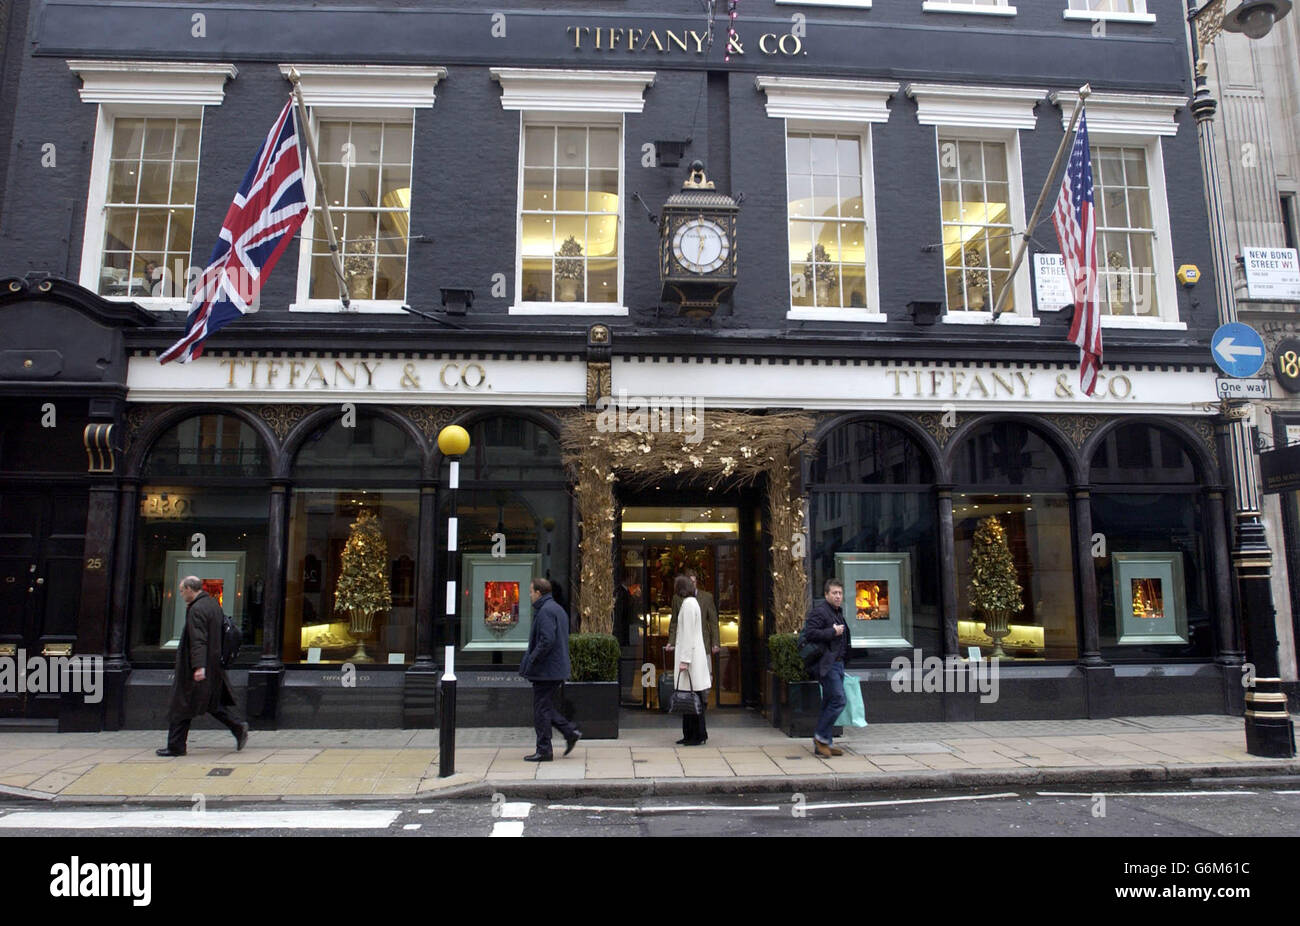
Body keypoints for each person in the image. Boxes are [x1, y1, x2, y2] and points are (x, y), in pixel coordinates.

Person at [157, 576, 248, 757]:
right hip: (213, 665)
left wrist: (199, 667)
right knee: (210, 703)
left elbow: (199, 640)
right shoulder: (212, 604)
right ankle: (237, 727)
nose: (181, 594)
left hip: (196, 667)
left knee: (181, 705)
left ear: (190, 589)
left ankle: (176, 746)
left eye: (182, 591)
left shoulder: (196, 609)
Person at [518, 577, 581, 762]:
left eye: (531, 592)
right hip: (554, 668)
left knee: (541, 710)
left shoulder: (545, 611)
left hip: (546, 670)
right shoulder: (557, 609)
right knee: (544, 706)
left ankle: (544, 749)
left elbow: (547, 640)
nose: (529, 596)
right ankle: (570, 732)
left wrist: (532, 659)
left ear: (539, 593)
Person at [801, 577, 852, 759]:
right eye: (834, 593)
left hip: (837, 664)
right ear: (826, 594)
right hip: (826, 664)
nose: (838, 596)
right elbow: (810, 633)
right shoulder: (821, 612)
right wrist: (833, 632)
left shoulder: (837, 612)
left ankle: (826, 742)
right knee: (839, 700)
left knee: (829, 702)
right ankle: (820, 737)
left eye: (840, 593)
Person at [671, 574, 712, 746]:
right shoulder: (693, 603)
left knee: (689, 699)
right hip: (695, 658)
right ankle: (693, 734)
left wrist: (684, 660)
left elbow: (687, 635)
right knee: (692, 698)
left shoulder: (687, 605)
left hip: (690, 660)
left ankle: (695, 735)